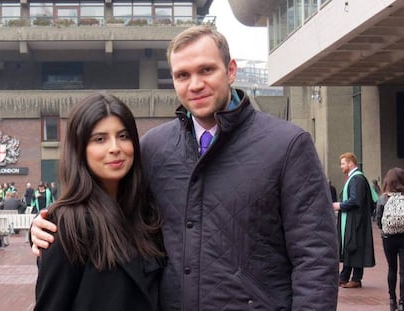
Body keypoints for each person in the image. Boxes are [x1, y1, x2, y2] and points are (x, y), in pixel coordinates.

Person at [30, 25, 339, 310]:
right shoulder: (154, 147)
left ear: (231, 70)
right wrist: (48, 229)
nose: (195, 84)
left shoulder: (287, 145)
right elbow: (112, 207)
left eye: (206, 70)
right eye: (182, 75)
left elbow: (315, 258)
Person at [34, 93, 165, 311]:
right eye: (100, 139)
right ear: (80, 149)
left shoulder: (148, 214)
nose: (115, 148)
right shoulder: (67, 226)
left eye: (123, 136)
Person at [333, 152, 376, 288]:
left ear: (351, 164)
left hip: (356, 221)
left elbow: (355, 200)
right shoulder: (354, 178)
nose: (341, 167)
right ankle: (344, 277)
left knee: (354, 247)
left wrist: (339, 205)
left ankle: (356, 278)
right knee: (350, 247)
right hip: (353, 219)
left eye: (343, 163)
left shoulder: (357, 179)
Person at [376, 167, 404, 311]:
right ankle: (402, 302)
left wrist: (386, 229)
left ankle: (392, 300)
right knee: (403, 271)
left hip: (388, 238)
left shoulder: (383, 198)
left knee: (391, 269)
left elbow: (378, 220)